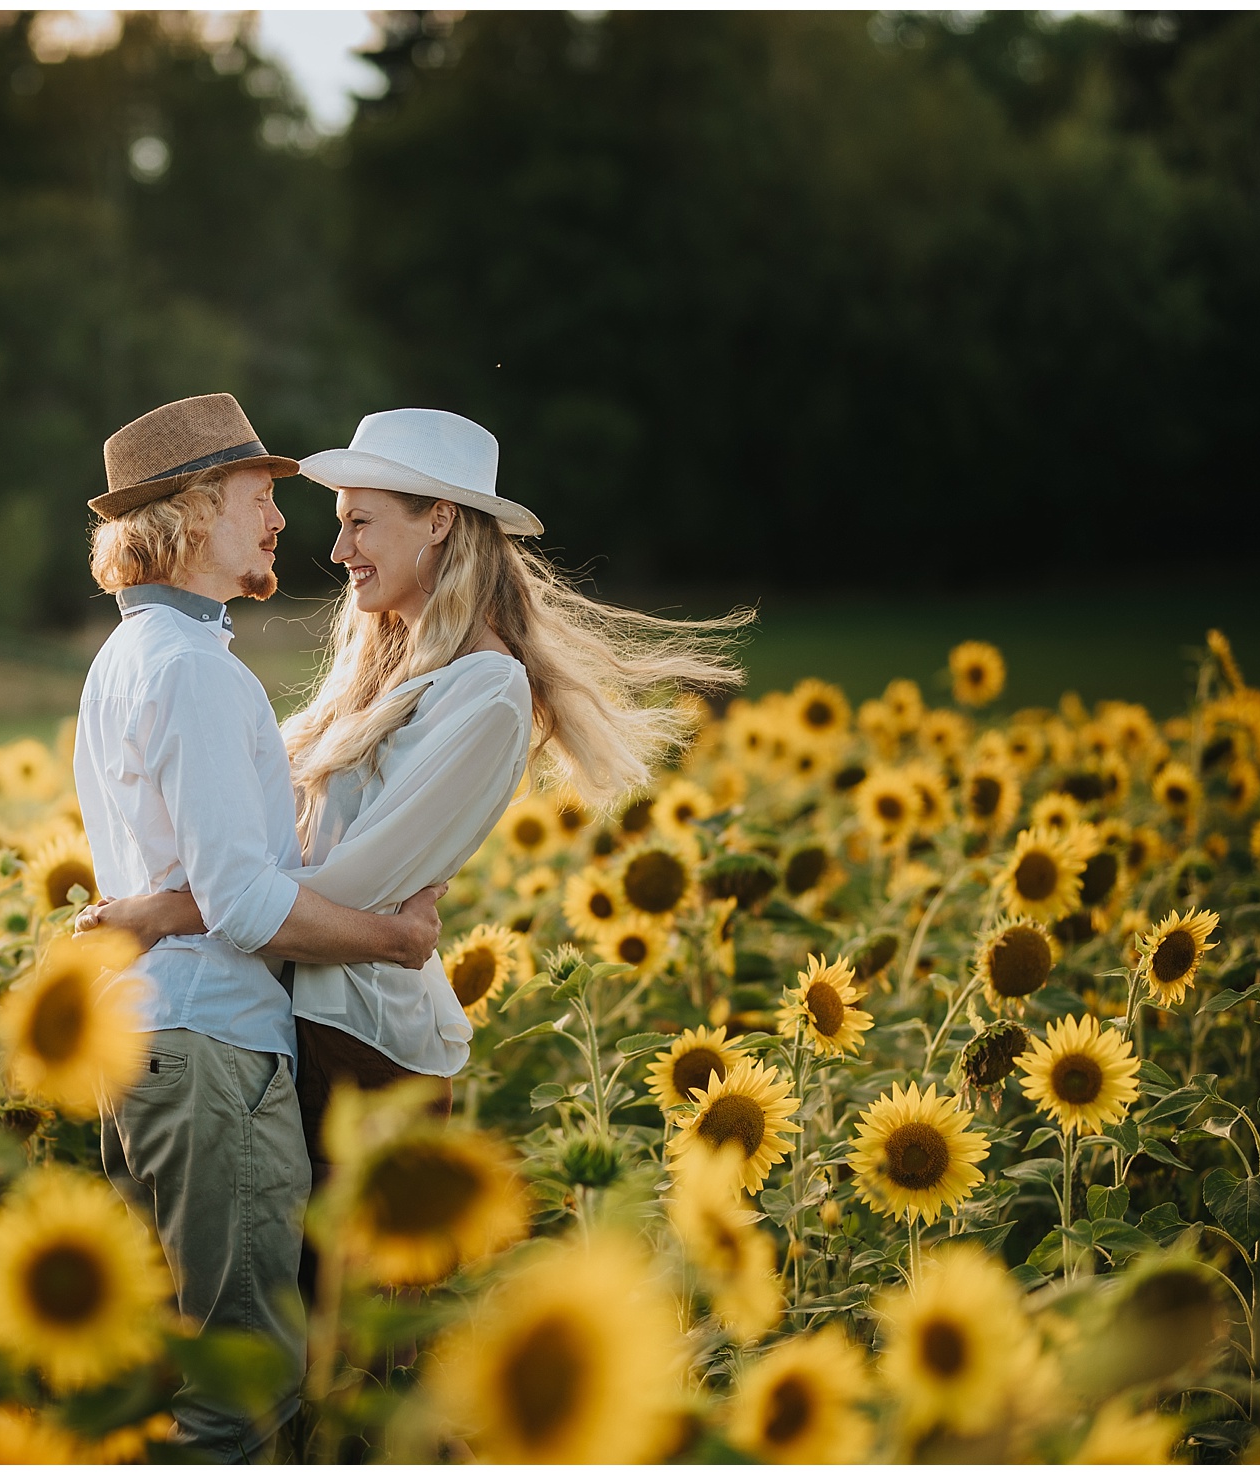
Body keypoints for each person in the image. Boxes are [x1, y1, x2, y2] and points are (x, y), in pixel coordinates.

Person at [83, 405, 752, 1214]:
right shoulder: (381, 672)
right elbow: (274, 868)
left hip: (368, 1047)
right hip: (310, 1033)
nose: (337, 551)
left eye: (359, 523)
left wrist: (164, 910)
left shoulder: (488, 691)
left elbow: (339, 888)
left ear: (438, 521)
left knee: (353, 1329)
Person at [72, 392, 448, 1462]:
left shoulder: (128, 659)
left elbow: (201, 876)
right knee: (244, 1384)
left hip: (149, 1037)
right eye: (256, 498)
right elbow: (243, 902)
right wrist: (391, 935)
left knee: (190, 1361)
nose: (281, 521)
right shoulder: (196, 672)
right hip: (212, 1050)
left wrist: (159, 906)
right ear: (192, 517)